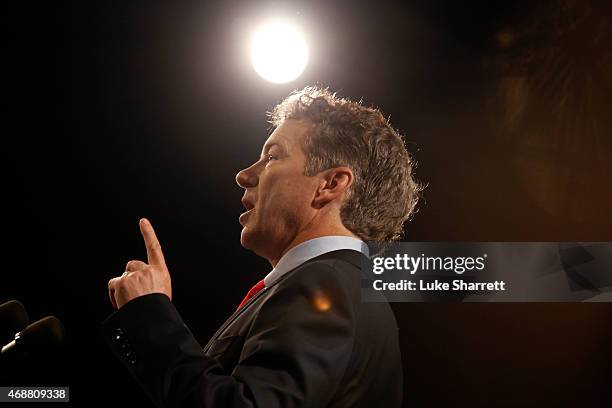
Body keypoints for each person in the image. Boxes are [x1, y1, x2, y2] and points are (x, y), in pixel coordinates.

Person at [103, 86, 421, 407]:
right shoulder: (341, 285)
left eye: (272, 156)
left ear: (331, 184)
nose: (244, 175)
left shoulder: (325, 285)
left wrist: (151, 317)